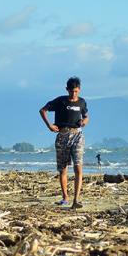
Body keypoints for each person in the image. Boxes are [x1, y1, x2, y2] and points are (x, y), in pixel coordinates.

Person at [39, 77, 89, 209]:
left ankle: (76, 199)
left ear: (79, 90)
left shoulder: (82, 102)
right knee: (63, 169)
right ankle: (65, 197)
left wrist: (84, 122)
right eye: (72, 91)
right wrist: (49, 125)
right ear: (67, 90)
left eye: (76, 91)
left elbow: (86, 116)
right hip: (62, 135)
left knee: (78, 167)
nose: (74, 94)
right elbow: (42, 110)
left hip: (77, 135)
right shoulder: (60, 101)